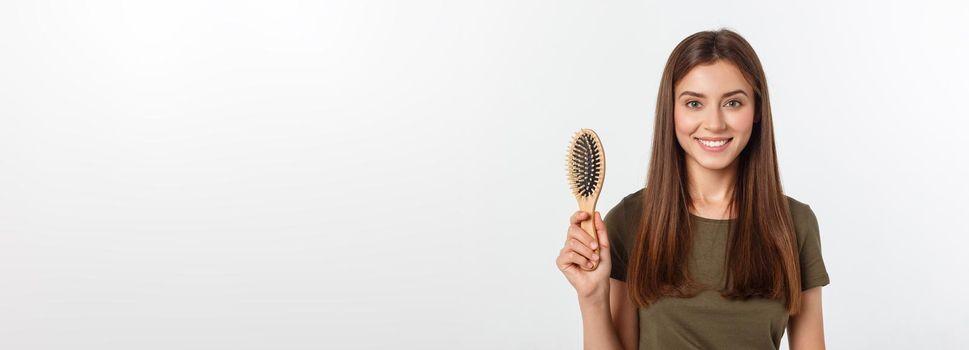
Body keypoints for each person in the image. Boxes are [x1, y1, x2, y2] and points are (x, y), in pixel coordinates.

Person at [556, 28, 830, 350]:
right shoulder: (630, 221)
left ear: (756, 111)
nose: (714, 123)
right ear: (671, 112)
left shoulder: (795, 224)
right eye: (694, 104)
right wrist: (592, 299)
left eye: (732, 102)